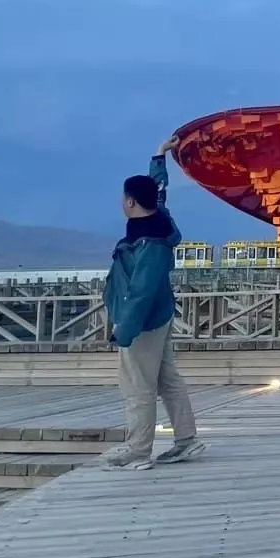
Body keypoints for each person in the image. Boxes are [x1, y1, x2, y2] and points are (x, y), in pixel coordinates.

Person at [100, 137, 205, 471]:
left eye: (124, 198)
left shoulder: (149, 242)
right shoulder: (159, 221)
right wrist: (160, 156)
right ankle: (186, 440)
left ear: (130, 201)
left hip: (143, 321)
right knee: (167, 379)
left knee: (138, 386)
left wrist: (125, 330)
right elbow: (158, 190)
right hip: (159, 315)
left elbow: (141, 290)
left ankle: (138, 451)